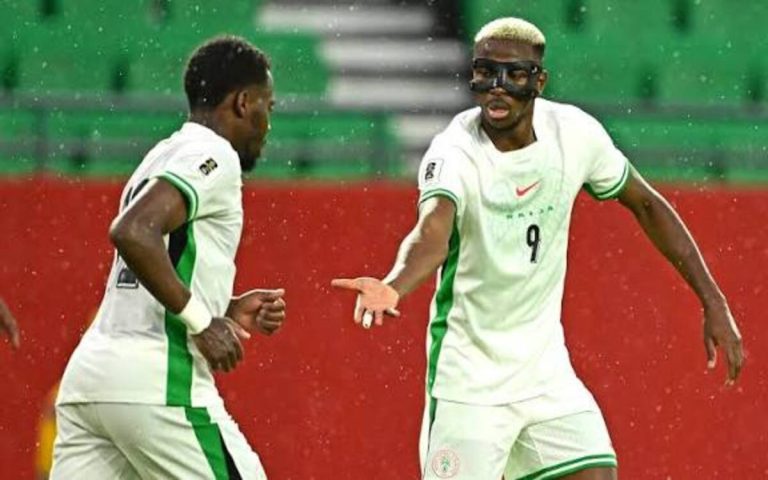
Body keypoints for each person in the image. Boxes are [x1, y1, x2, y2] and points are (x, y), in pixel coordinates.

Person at [332, 17, 744, 480]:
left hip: (543, 374)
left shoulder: (575, 134)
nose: (497, 88)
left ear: (539, 81)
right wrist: (394, 285)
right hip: (470, 382)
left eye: (515, 75)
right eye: (485, 73)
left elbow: (647, 205)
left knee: (596, 473)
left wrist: (713, 300)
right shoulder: (454, 151)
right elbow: (431, 234)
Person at [51, 36, 287, 480]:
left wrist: (225, 307)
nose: (267, 123)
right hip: (155, 379)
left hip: (91, 381)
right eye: (267, 106)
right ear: (242, 102)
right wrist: (203, 320)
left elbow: (154, 251)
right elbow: (134, 232)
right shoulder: (216, 153)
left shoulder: (162, 153)